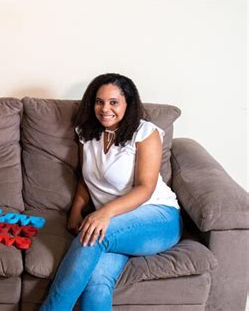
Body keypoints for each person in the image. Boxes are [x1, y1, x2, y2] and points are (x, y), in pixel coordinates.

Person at [41, 73, 182, 310]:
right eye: (99, 102)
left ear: (128, 104)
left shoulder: (145, 133)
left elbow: (145, 188)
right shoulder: (87, 133)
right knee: (97, 282)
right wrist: (76, 210)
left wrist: (104, 213)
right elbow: (88, 179)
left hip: (158, 217)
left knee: (93, 234)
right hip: (117, 223)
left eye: (114, 102)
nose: (105, 109)